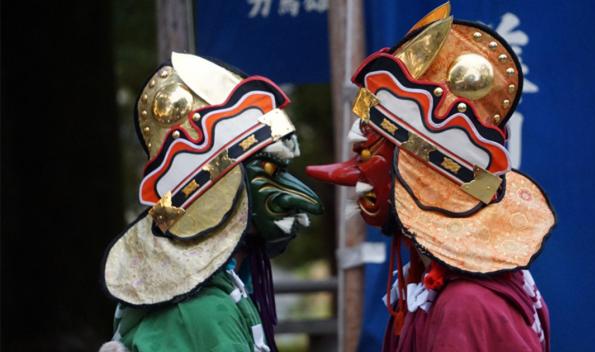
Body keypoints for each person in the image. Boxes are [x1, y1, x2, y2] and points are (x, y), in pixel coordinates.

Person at [306, 2, 556, 351]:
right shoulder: (435, 282)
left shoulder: (465, 305)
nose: (357, 175)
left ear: (422, 179)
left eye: (368, 154)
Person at [99, 52, 322, 352]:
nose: (307, 201)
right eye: (270, 171)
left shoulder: (215, 297)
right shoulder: (200, 313)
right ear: (218, 192)